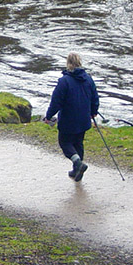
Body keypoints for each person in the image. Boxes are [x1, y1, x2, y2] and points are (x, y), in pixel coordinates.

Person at [44, 52, 99, 182]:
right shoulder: (88, 79)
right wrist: (93, 111)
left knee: (65, 143)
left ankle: (78, 164)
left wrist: (48, 116)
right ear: (80, 63)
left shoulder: (64, 81)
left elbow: (56, 101)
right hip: (84, 119)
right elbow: (95, 97)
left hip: (68, 120)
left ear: (68, 64)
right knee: (78, 143)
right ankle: (77, 170)